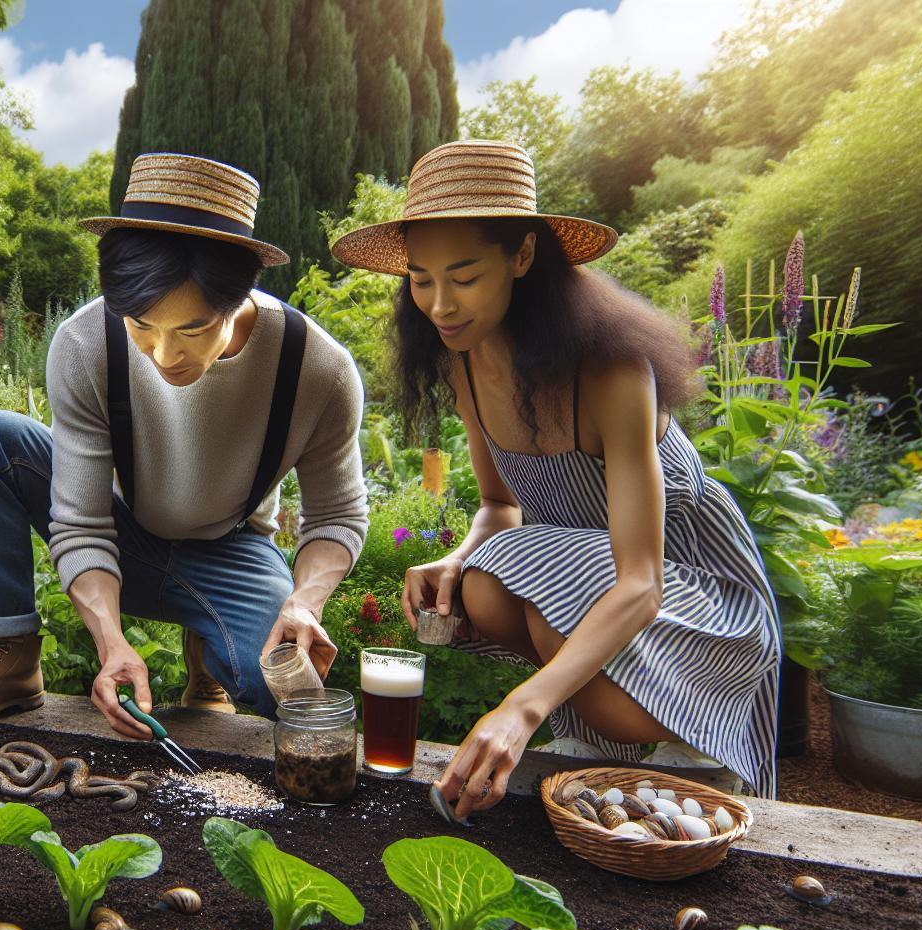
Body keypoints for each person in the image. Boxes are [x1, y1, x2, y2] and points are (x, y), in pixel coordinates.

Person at [331, 140, 780, 816]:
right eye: (421, 280)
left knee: (535, 581)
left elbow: (641, 583)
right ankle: (602, 740)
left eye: (464, 275)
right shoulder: (464, 360)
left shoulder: (610, 367)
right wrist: (453, 561)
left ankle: (692, 747)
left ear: (522, 257)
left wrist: (523, 707)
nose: (441, 305)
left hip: (691, 602)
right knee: (483, 581)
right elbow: (497, 506)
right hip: (575, 580)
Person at [0, 152, 369, 738]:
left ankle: (207, 659)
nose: (163, 356)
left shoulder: (318, 369)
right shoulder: (85, 342)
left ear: (241, 294)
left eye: (192, 329)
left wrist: (305, 600)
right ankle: (11, 658)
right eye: (141, 327)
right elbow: (80, 522)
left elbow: (336, 516)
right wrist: (109, 642)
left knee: (284, 691)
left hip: (230, 549)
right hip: (119, 523)